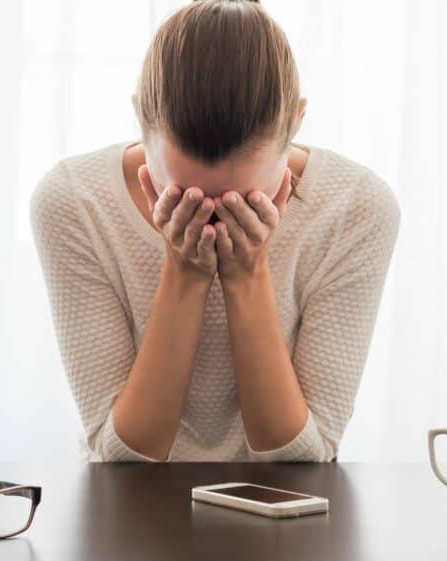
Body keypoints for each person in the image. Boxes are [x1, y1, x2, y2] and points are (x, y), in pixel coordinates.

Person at [30, 0, 399, 462]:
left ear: (296, 124)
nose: (210, 216)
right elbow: (123, 458)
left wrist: (247, 275)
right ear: (141, 124)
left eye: (241, 199)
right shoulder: (74, 202)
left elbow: (303, 459)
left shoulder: (356, 209)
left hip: (288, 526)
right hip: (129, 520)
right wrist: (185, 272)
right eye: (185, 193)